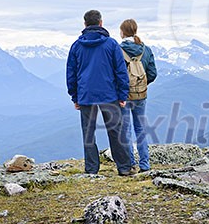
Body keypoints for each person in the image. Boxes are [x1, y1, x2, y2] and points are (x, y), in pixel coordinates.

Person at [66, 10, 135, 176]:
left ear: (85, 24)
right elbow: (120, 71)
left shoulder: (76, 46)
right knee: (116, 131)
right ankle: (124, 168)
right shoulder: (111, 44)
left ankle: (91, 170)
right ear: (101, 23)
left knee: (88, 133)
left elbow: (71, 73)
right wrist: (122, 94)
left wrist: (75, 96)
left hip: (86, 95)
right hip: (109, 94)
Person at [119, 19, 157, 172]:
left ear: (123, 32)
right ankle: (145, 164)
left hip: (123, 96)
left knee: (125, 129)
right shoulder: (146, 50)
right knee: (140, 129)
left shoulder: (117, 49)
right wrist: (141, 85)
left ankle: (130, 165)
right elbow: (153, 73)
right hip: (140, 96)